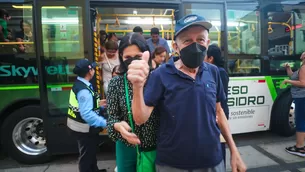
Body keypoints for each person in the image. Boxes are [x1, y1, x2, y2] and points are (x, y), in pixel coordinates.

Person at [127, 14, 246, 172]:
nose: (195, 46)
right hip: (172, 164)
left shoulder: (214, 72)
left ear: (207, 43)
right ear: (176, 47)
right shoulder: (161, 75)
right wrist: (137, 86)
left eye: (200, 40)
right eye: (187, 41)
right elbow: (140, 119)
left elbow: (219, 112)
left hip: (212, 160)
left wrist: (234, 150)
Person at [107, 33, 158, 172]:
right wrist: (118, 126)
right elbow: (111, 120)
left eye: (138, 57)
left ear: (146, 55)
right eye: (127, 58)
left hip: (155, 147)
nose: (133, 62)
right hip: (126, 147)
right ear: (121, 58)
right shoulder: (115, 84)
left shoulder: (158, 80)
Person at [67, 59, 107, 172]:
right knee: (86, 155)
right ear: (90, 71)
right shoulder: (83, 91)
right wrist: (106, 123)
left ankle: (94, 170)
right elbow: (87, 114)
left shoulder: (81, 84)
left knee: (91, 151)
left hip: (82, 126)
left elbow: (83, 106)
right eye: (93, 68)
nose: (94, 70)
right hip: (83, 128)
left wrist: (99, 104)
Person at [205, 44, 230, 167]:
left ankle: (221, 167)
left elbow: (219, 97)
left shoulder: (219, 72)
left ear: (210, 58)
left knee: (219, 144)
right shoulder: (215, 70)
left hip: (220, 113)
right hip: (216, 112)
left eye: (205, 56)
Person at [283, 52, 305, 157]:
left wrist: (288, 81)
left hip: (302, 98)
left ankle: (299, 147)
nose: (302, 53)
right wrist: (288, 69)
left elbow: (302, 83)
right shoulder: (302, 67)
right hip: (301, 98)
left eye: (304, 53)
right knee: (302, 120)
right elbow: (293, 76)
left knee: (300, 121)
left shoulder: (304, 68)